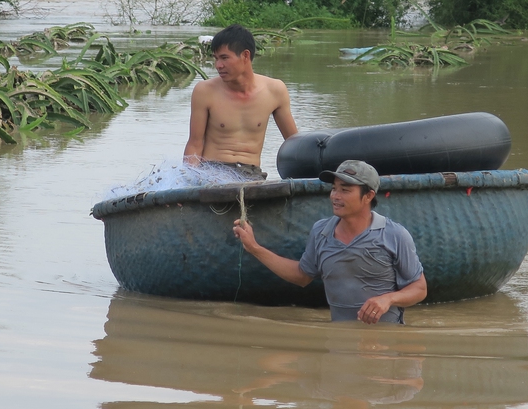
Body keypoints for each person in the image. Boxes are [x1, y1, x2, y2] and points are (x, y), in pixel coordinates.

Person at [232, 160, 427, 324]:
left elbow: (419, 289)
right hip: (339, 343)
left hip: (384, 347)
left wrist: (388, 299)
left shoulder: (395, 235)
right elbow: (302, 275)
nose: (335, 196)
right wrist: (254, 247)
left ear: (368, 196)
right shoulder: (321, 231)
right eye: (334, 189)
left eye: (345, 190)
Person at [183, 24, 298, 181]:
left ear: (245, 56)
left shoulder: (275, 90)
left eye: (224, 58)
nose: (218, 65)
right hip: (212, 173)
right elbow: (195, 144)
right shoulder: (204, 91)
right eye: (215, 58)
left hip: (250, 174)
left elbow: (294, 143)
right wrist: (186, 182)